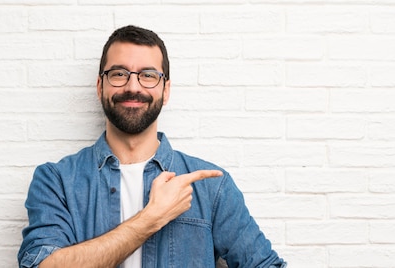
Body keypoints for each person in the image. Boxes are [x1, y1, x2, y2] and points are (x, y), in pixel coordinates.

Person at [17, 25, 286, 268]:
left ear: (165, 90)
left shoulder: (211, 186)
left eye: (148, 75)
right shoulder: (56, 181)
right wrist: (151, 217)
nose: (133, 86)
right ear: (100, 86)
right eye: (119, 73)